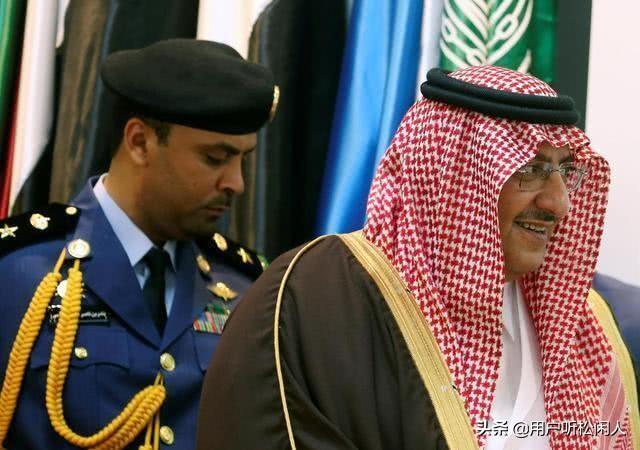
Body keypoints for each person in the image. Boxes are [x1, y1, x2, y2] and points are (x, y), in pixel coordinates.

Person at [196, 66, 639, 449]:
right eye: (531, 170)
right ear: (456, 176)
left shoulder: (586, 324)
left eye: (566, 171)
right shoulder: (316, 299)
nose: (559, 203)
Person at [0, 39, 278, 449]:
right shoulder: (17, 271)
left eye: (243, 160)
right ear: (139, 142)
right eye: (215, 158)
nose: (236, 183)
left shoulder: (246, 286)